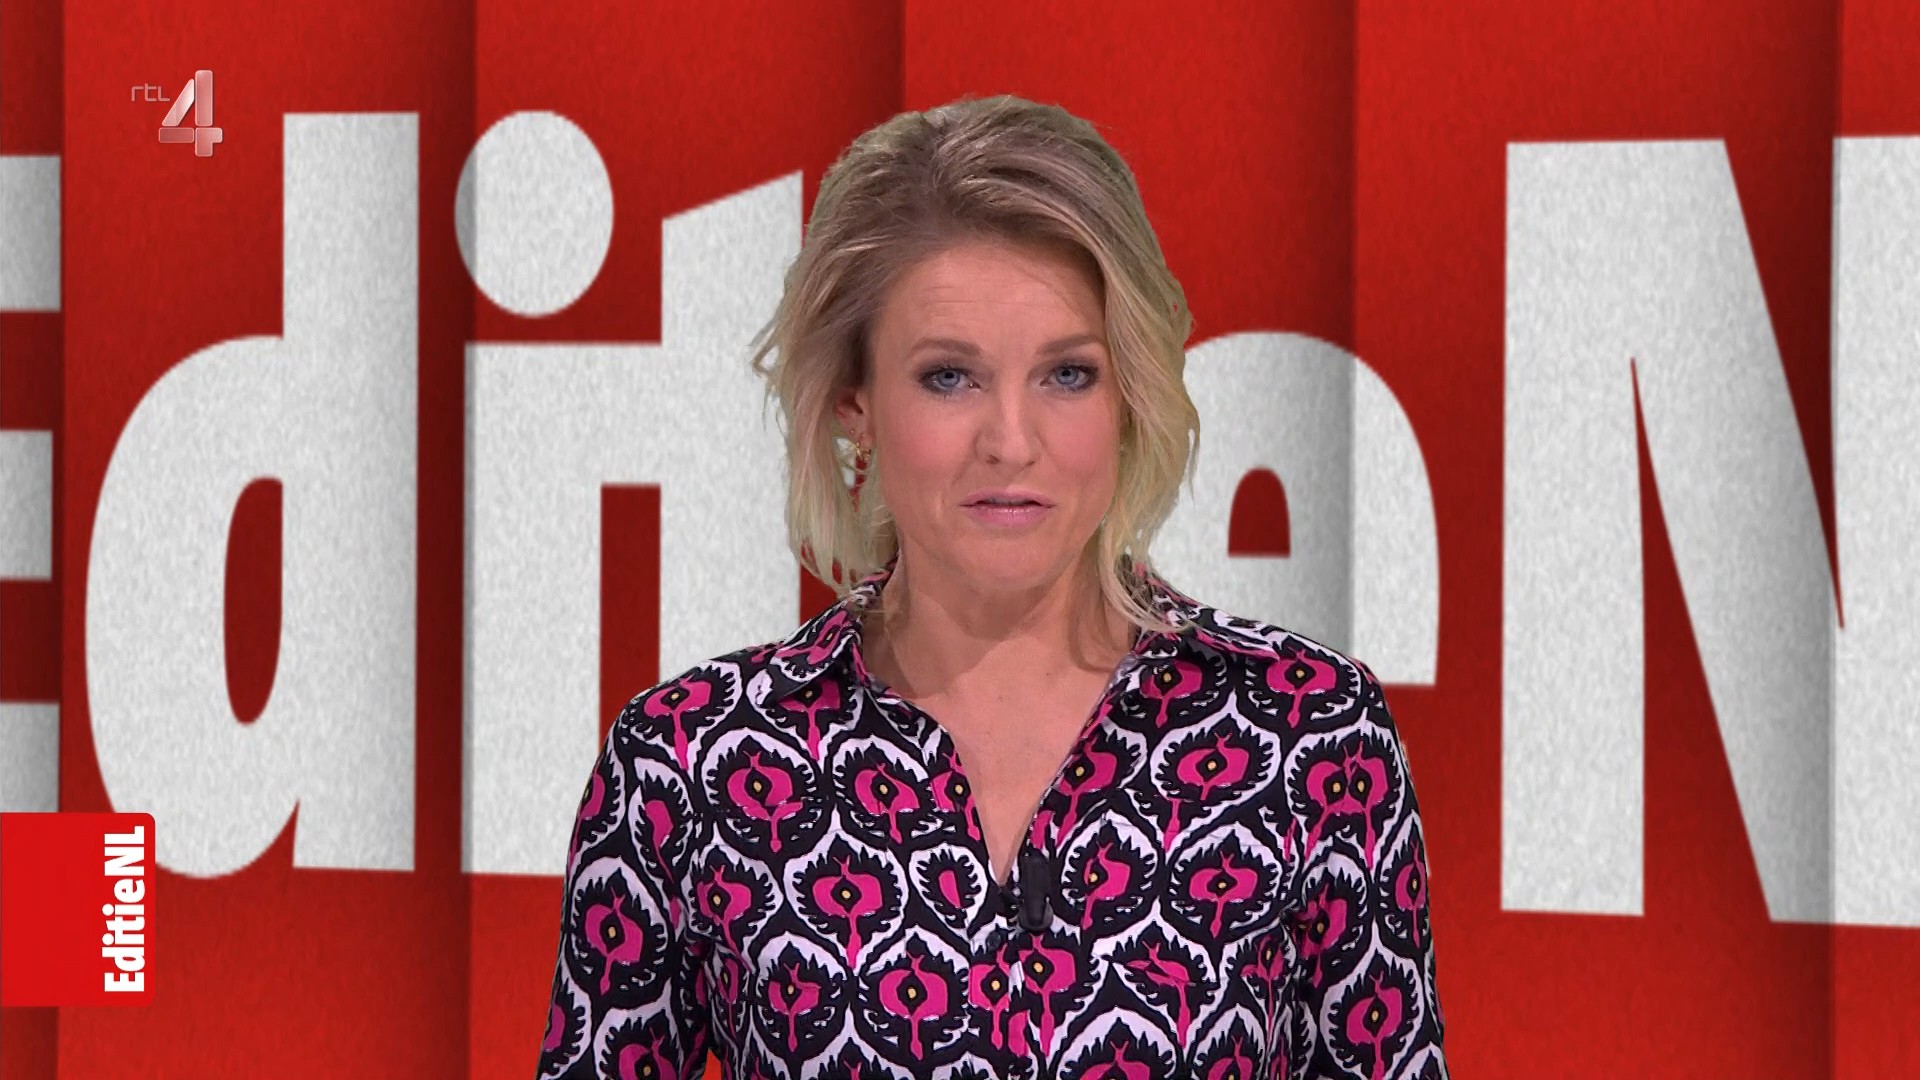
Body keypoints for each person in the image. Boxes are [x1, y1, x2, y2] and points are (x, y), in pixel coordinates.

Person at [536, 93, 1447, 1080]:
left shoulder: (1309, 732)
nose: (1012, 442)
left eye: (1068, 375)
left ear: (1130, 393)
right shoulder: (689, 764)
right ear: (854, 402)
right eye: (949, 377)